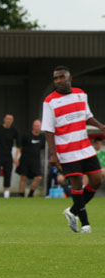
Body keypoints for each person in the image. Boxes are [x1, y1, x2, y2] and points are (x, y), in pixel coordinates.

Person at [42, 65, 105, 234]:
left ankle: (72, 211)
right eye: (56, 78)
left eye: (61, 77)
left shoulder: (81, 94)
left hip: (85, 147)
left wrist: (100, 126)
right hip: (67, 151)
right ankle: (85, 225)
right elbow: (48, 129)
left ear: (69, 78)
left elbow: (87, 116)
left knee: (96, 180)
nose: (58, 81)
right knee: (77, 185)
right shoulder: (50, 101)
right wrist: (53, 154)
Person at [0, 114, 20, 198]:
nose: (8, 120)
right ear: (4, 119)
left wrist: (16, 157)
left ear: (12, 121)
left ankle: (6, 193)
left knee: (8, 174)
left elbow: (18, 145)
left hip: (8, 156)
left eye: (10, 119)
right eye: (7, 119)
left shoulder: (14, 130)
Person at [16, 119, 45, 197]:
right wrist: (17, 158)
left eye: (38, 126)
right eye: (35, 126)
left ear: (41, 127)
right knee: (23, 177)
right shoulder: (26, 136)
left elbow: (42, 149)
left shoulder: (42, 138)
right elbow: (20, 147)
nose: (37, 127)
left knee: (38, 177)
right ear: (33, 126)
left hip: (35, 161)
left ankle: (30, 194)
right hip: (25, 159)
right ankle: (21, 195)